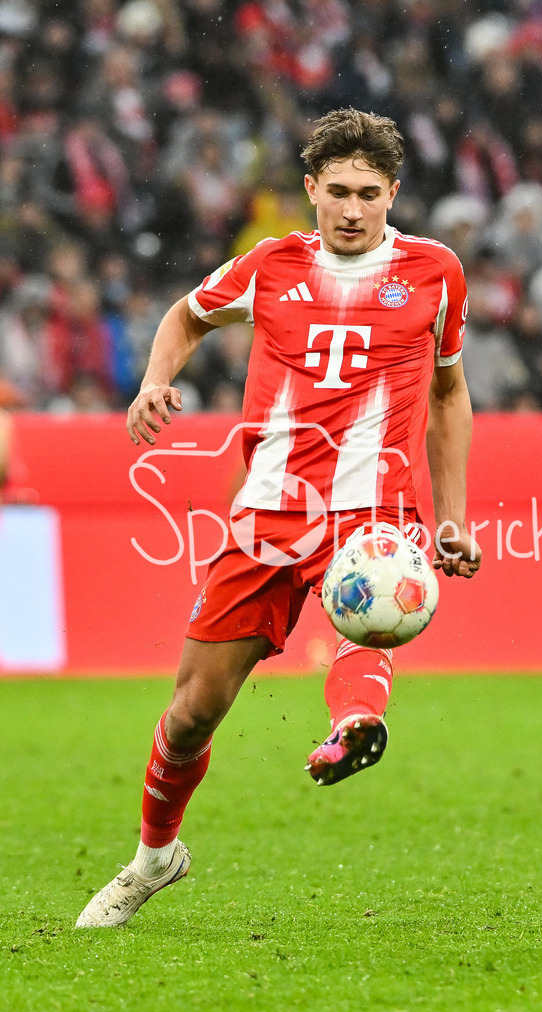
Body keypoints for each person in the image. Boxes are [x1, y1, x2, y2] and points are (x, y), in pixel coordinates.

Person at [76, 108, 482, 928]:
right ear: (310, 190)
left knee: (373, 612)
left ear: (393, 192)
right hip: (267, 511)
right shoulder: (270, 264)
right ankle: (157, 856)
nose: (353, 209)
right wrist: (154, 381)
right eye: (338, 191)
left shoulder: (435, 272)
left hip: (372, 504)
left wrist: (455, 518)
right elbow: (186, 316)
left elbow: (447, 393)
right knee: (193, 711)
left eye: (370, 193)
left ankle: (354, 723)